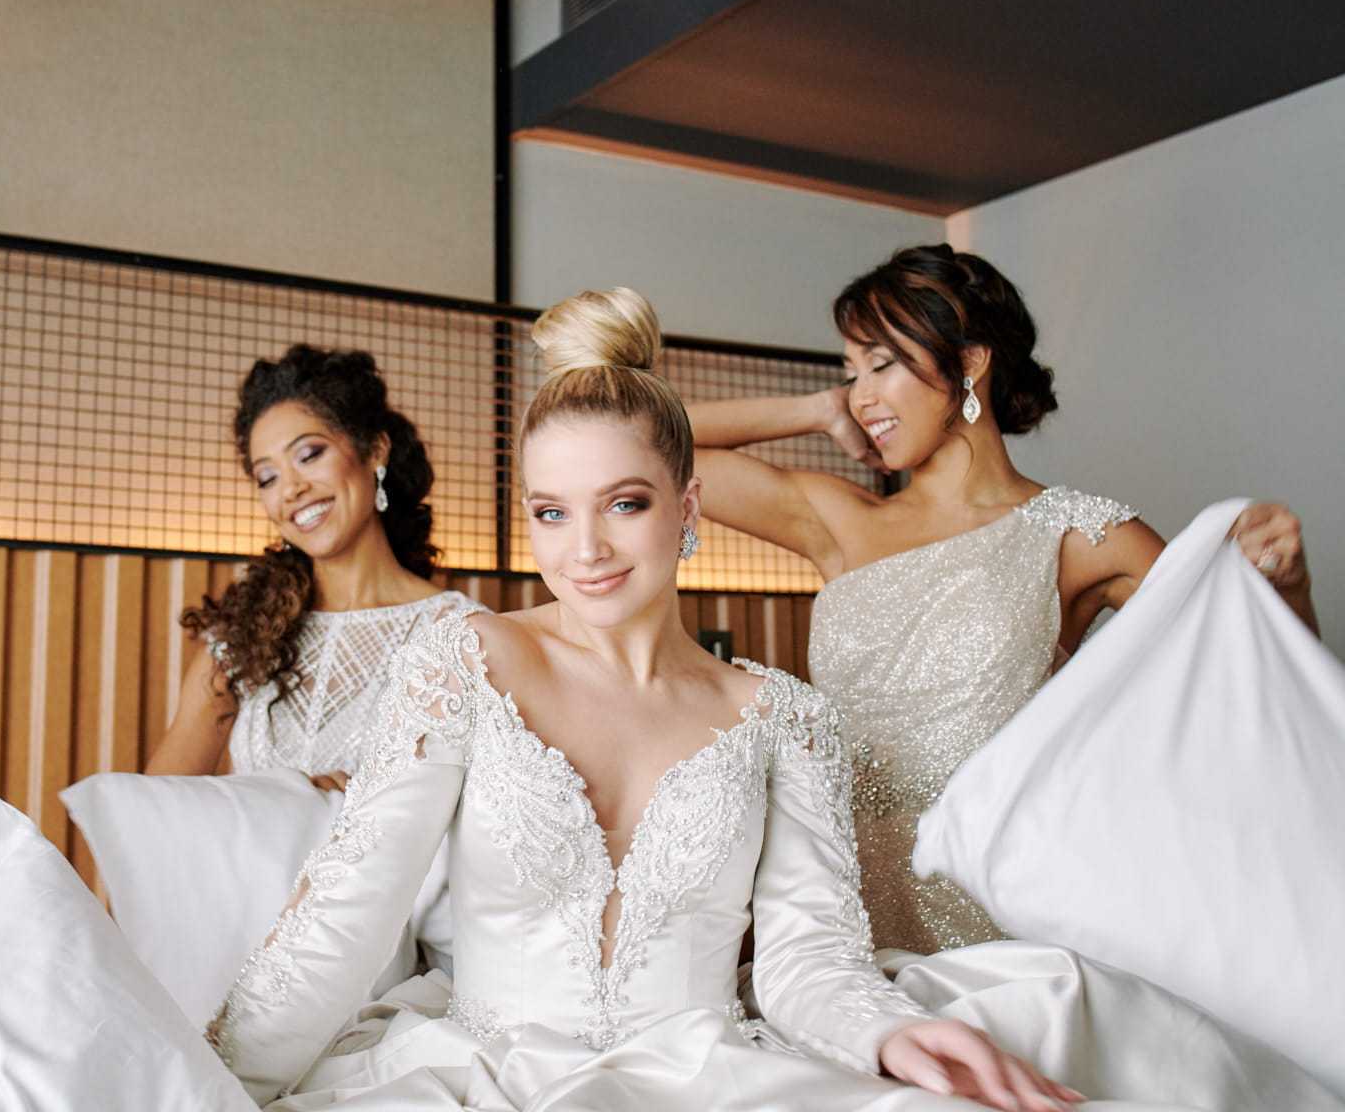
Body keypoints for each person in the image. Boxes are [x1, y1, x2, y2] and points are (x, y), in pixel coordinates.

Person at [206, 288, 1130, 1111]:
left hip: (710, 1077)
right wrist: (209, 1082)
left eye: (625, 504)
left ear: (686, 509)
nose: (586, 551)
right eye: (552, 512)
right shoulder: (465, 662)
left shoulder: (784, 718)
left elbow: (810, 962)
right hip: (481, 1078)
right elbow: (348, 911)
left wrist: (891, 1035)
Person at [685, 245, 1315, 953]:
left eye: (882, 365)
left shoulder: (1080, 535)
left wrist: (1288, 587)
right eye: (851, 372)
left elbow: (1262, 690)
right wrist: (816, 409)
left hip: (1008, 925)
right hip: (845, 916)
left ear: (970, 361)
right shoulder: (838, 520)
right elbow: (644, 447)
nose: (861, 396)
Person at [148, 346, 480, 789]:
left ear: (375, 451)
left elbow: (481, 811)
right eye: (268, 478)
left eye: (309, 455)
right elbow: (155, 804)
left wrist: (354, 800)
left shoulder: (461, 634)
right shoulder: (243, 636)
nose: (291, 489)